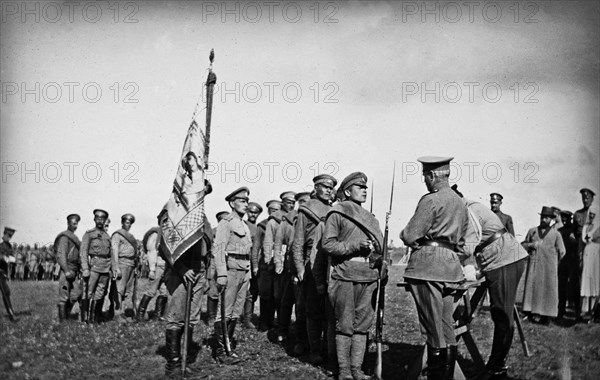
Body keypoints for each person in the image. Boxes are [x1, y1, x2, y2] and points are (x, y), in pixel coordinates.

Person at [400, 157, 469, 380]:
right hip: (451, 267)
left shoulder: (430, 200)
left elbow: (411, 234)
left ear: (432, 176)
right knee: (446, 325)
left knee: (433, 329)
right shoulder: (460, 202)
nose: (425, 181)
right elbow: (461, 242)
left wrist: (404, 235)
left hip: (428, 267)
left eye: (425, 177)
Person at [453, 185, 529, 378]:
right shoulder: (468, 207)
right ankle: (496, 364)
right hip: (499, 260)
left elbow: (467, 247)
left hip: (505, 261)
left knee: (502, 315)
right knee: (501, 313)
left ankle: (497, 368)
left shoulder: (467, 209)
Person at [322, 172, 384, 380]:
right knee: (345, 325)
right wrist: (354, 246)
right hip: (345, 275)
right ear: (348, 191)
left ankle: (357, 369)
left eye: (365, 187)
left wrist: (383, 265)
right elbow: (328, 244)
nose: (365, 190)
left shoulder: (371, 219)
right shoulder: (337, 213)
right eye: (360, 187)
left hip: (368, 276)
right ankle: (344, 370)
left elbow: (381, 249)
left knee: (362, 326)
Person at [160, 210, 214, 377]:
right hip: (181, 271)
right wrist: (182, 269)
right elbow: (164, 247)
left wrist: (207, 273)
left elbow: (208, 246)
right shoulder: (173, 211)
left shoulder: (202, 215)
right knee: (176, 317)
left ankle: (186, 361)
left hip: (200, 270)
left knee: (191, 318)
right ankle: (174, 365)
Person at [293, 174, 337, 365]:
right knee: (312, 309)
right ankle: (314, 350)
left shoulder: (334, 210)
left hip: (330, 261)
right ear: (316, 188)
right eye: (325, 187)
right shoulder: (306, 209)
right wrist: (300, 267)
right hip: (311, 261)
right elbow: (298, 242)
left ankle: (327, 348)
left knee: (328, 309)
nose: (329, 190)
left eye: (331, 188)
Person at [211, 187, 253, 364]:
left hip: (244, 270)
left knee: (236, 311)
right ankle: (221, 351)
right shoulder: (226, 222)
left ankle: (229, 348)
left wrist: (249, 273)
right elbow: (219, 249)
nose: (246, 204)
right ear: (232, 203)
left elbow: (247, 251)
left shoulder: (244, 225)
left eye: (246, 201)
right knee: (225, 311)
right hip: (231, 269)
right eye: (242, 201)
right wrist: (221, 274)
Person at [275, 191, 310, 351]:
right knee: (286, 301)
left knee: (303, 306)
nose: (304, 205)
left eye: (307, 202)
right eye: (301, 202)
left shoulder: (311, 219)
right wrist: (279, 264)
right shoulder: (289, 220)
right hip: (290, 268)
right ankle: (283, 331)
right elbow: (279, 244)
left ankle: (303, 338)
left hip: (305, 268)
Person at [521, 206, 566, 324]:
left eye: (546, 217)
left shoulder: (556, 234)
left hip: (548, 268)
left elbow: (562, 251)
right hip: (534, 266)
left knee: (548, 289)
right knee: (533, 288)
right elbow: (523, 245)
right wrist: (531, 245)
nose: (544, 220)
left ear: (551, 219)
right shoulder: (532, 231)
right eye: (542, 217)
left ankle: (547, 315)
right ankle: (531, 312)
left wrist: (554, 262)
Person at [263, 194, 296, 332]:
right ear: (282, 203)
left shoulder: (295, 218)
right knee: (275, 295)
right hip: (276, 260)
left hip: (290, 260)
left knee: (286, 295)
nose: (291, 205)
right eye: (288, 203)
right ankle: (269, 322)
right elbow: (268, 242)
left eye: (293, 203)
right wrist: (269, 261)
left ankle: (283, 323)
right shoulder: (274, 220)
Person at [80, 209, 116, 324]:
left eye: (102, 219)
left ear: (105, 220)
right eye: (98, 218)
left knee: (100, 293)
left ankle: (94, 319)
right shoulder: (89, 234)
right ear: (94, 219)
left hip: (105, 267)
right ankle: (84, 320)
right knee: (88, 292)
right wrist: (85, 268)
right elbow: (83, 252)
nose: (100, 220)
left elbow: (111, 254)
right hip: (94, 267)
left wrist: (113, 268)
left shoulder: (107, 236)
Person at [254, 199, 281, 331]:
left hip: (277, 265)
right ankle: (263, 322)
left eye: (277, 210)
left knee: (275, 295)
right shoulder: (262, 226)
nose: (275, 212)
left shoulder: (281, 224)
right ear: (268, 210)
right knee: (265, 294)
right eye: (272, 210)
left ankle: (271, 321)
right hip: (264, 265)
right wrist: (255, 265)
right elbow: (256, 247)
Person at [137, 221, 169, 322]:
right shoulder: (156, 234)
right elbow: (151, 252)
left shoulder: (169, 234)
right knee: (151, 291)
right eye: (165, 222)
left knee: (164, 292)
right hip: (157, 266)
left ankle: (157, 315)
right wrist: (152, 269)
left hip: (167, 267)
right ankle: (140, 315)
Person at [55, 214, 83, 322]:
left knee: (76, 294)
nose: (75, 226)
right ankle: (62, 321)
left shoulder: (74, 237)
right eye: (73, 223)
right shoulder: (64, 237)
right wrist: (66, 270)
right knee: (63, 296)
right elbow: (61, 255)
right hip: (66, 269)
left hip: (74, 270)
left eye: (77, 224)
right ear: (68, 223)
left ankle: (66, 314)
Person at [112, 213, 139, 322]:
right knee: (119, 289)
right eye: (127, 222)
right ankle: (117, 313)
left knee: (126, 290)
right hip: (122, 263)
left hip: (131, 264)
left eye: (130, 223)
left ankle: (122, 312)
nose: (128, 225)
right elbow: (114, 251)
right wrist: (116, 267)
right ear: (122, 223)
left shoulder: (130, 236)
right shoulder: (117, 235)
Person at [240, 201, 263, 329]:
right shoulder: (242, 225)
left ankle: (247, 319)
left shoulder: (259, 227)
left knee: (253, 291)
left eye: (255, 212)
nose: (253, 214)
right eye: (250, 212)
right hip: (243, 261)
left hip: (255, 263)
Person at [557, 210, 579, 320]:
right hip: (563, 262)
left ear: (570, 218)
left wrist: (575, 241)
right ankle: (561, 311)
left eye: (566, 218)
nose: (564, 220)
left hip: (573, 261)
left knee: (574, 286)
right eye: (563, 218)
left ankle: (577, 313)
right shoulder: (559, 231)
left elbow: (580, 244)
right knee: (561, 287)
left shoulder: (575, 230)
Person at [580, 204, 600, 322]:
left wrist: (592, 238)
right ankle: (586, 310)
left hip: (596, 254)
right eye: (590, 214)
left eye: (594, 215)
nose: (592, 216)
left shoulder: (598, 226)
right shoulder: (585, 227)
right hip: (587, 253)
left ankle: (594, 310)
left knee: (595, 281)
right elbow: (584, 239)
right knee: (587, 280)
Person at [1, 227, 16, 319]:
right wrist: (4, 258)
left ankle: (11, 313)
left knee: (6, 292)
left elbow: (11, 255)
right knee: (5, 292)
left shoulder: (9, 246)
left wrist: (12, 259)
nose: (9, 237)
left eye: (10, 236)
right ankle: (11, 315)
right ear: (4, 235)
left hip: (3, 272)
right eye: (7, 235)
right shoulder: (1, 245)